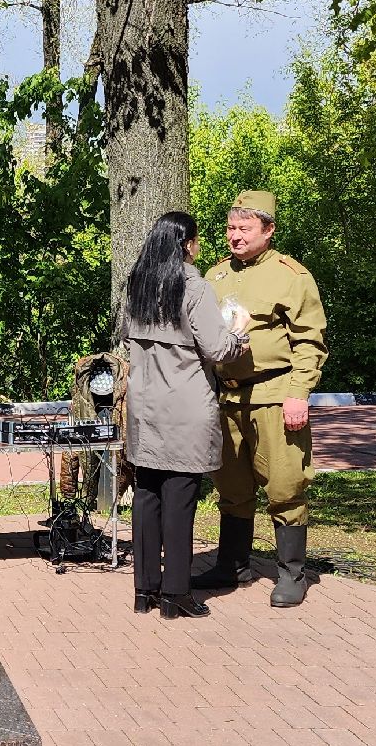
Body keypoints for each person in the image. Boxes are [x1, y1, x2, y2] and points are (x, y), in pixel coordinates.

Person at [198, 190, 329, 608]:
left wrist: (299, 394)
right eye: (230, 228)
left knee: (285, 484)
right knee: (231, 484)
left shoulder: (291, 276)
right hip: (226, 397)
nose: (235, 236)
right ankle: (232, 565)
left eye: (245, 228)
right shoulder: (215, 275)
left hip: (274, 393)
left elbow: (309, 341)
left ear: (268, 230)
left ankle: (292, 573)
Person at [122, 212, 248, 619]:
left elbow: (127, 338)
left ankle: (145, 590)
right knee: (179, 498)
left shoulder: (137, 284)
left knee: (147, 494)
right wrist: (240, 332)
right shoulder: (194, 286)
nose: (198, 247)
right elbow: (217, 349)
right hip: (185, 405)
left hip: (145, 406)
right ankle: (176, 592)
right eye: (196, 241)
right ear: (186, 244)